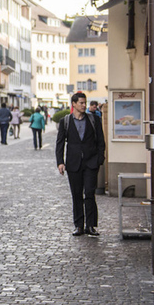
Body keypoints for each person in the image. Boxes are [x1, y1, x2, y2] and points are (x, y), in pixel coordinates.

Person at [56, 92, 106, 236]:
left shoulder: (93, 120)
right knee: (76, 194)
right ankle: (79, 225)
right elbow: (59, 144)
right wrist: (60, 162)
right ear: (74, 104)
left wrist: (99, 159)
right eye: (81, 103)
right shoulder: (65, 121)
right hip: (73, 164)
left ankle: (91, 225)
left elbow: (101, 141)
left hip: (91, 163)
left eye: (85, 103)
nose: (84, 105)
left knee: (89, 193)